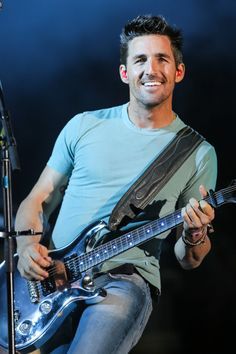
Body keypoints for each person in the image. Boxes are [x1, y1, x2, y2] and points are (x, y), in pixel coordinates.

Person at [14, 14, 217, 354]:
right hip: (53, 278)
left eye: (162, 59)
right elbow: (36, 201)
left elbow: (189, 258)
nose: (150, 69)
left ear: (178, 72)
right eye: (140, 60)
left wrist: (194, 234)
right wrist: (25, 249)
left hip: (124, 281)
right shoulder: (83, 126)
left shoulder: (197, 153)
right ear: (125, 73)